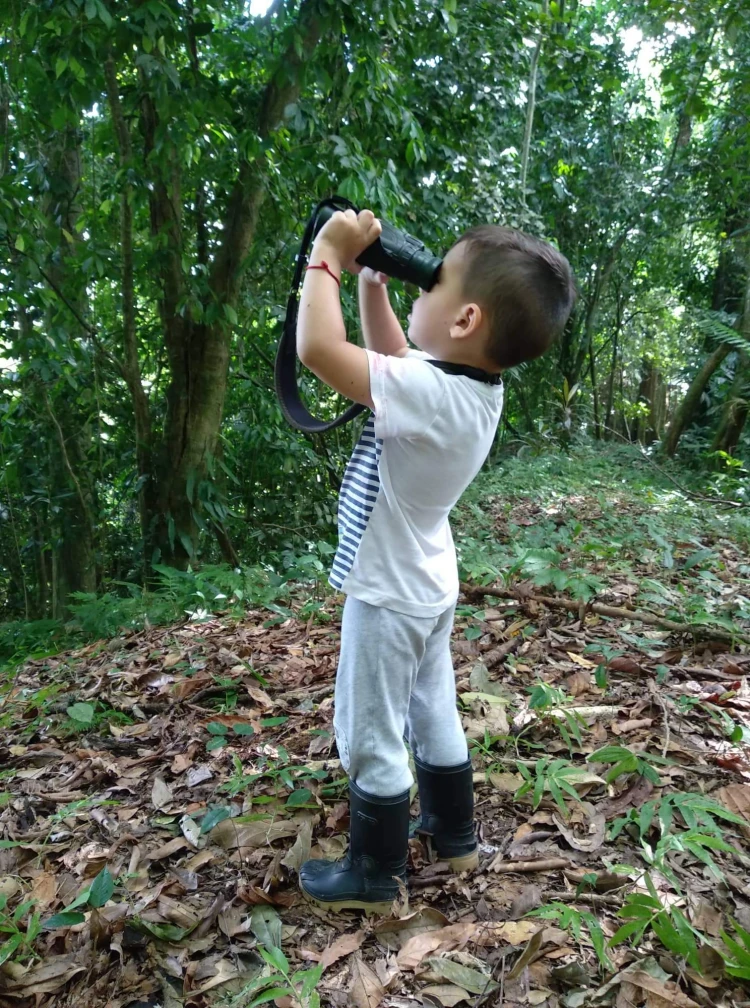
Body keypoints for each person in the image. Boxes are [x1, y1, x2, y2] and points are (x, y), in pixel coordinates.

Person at [295, 207, 576, 913]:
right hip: (428, 580)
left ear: (465, 320)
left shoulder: (433, 395)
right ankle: (454, 833)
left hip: (389, 591)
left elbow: (320, 353)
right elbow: (395, 362)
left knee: (370, 727)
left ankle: (375, 870)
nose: (420, 293)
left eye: (431, 286)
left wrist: (326, 258)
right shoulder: (471, 388)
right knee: (431, 709)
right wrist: (374, 283)